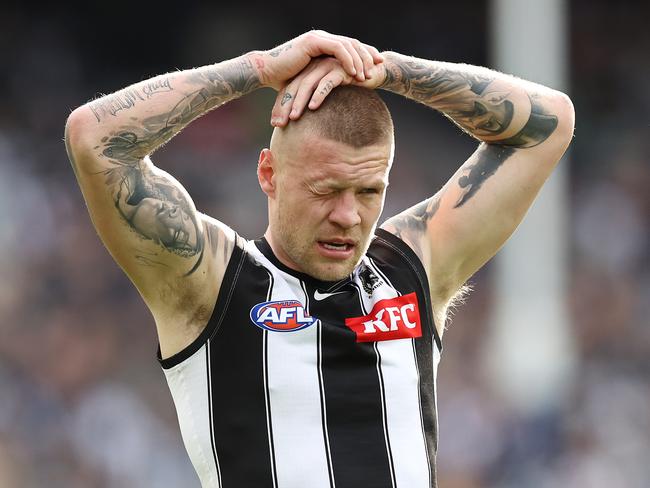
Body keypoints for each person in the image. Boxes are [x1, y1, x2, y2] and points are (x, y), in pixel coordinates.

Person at [64, 30, 574, 488]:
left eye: (370, 190)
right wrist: (259, 69)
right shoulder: (212, 283)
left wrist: (392, 71)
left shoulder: (412, 268)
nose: (349, 216)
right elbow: (95, 139)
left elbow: (550, 124)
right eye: (325, 190)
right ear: (269, 174)